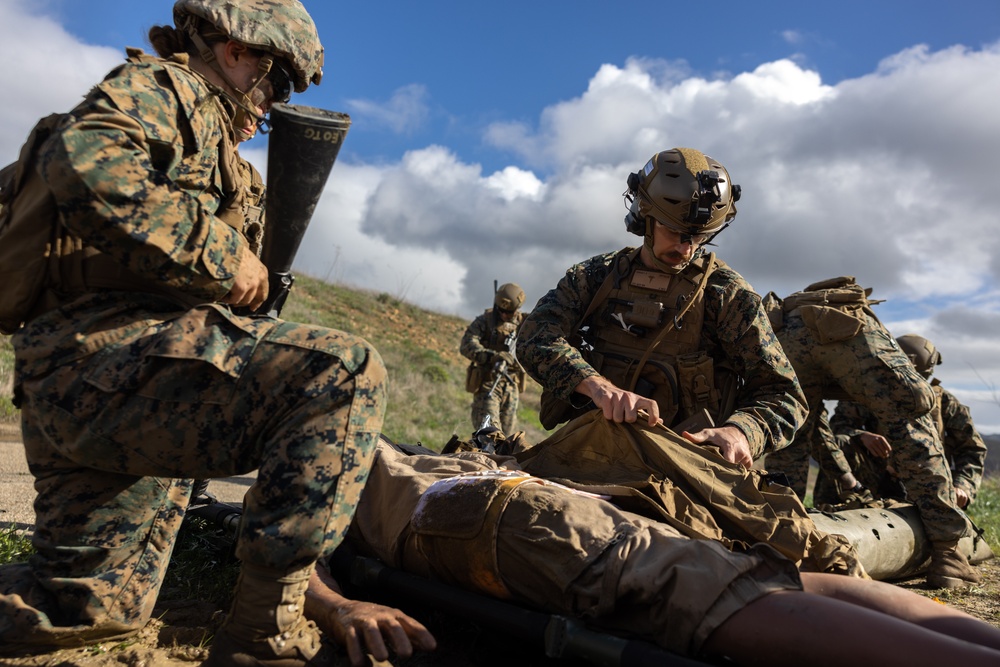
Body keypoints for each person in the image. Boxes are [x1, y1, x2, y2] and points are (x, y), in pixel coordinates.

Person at [0, 2, 387, 665]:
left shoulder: (229, 164)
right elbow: (86, 159)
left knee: (86, 611)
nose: (272, 107)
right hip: (105, 367)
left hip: (105, 384)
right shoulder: (171, 89)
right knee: (342, 371)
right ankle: (261, 638)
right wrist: (221, 251)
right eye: (277, 82)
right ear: (237, 51)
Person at [302, 436, 1000, 667]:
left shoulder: (325, 429)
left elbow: (281, 540)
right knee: (740, 584)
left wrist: (335, 602)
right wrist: (340, 606)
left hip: (518, 510)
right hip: (507, 514)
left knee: (753, 582)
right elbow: (281, 549)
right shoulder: (326, 441)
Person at [517, 148, 807, 468]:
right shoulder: (595, 277)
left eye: (698, 236)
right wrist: (597, 387)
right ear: (646, 216)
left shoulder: (727, 295)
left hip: (683, 470)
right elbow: (535, 337)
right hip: (584, 455)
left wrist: (741, 432)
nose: (686, 248)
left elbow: (784, 395)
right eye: (674, 232)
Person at [762, 279, 980, 589]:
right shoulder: (859, 332)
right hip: (841, 333)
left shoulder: (951, 406)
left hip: (783, 334)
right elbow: (900, 426)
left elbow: (815, 432)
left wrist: (964, 486)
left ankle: (780, 545)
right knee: (912, 424)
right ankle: (948, 556)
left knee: (792, 433)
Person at [820, 334, 988, 510]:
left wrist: (962, 487)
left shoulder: (946, 404)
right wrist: (862, 436)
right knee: (839, 443)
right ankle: (831, 509)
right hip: (873, 480)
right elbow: (836, 427)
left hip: (925, 480)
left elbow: (972, 449)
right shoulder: (869, 394)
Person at [460, 282, 527, 435]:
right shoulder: (485, 321)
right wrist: (492, 356)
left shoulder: (525, 324)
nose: (504, 315)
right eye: (501, 310)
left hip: (511, 386)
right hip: (489, 382)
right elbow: (467, 344)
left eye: (509, 312)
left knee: (509, 438)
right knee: (489, 434)